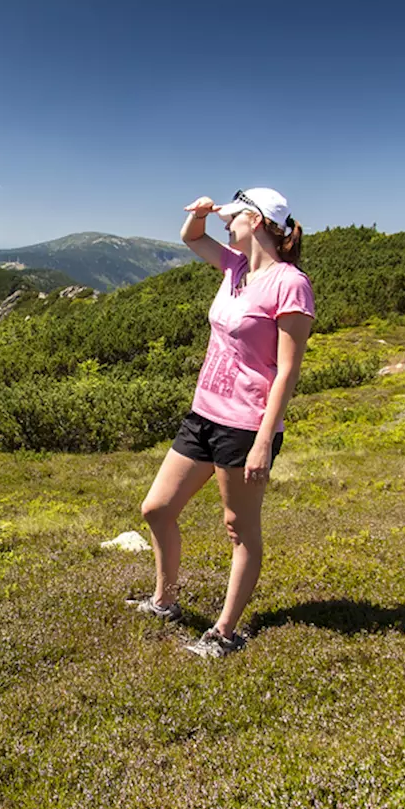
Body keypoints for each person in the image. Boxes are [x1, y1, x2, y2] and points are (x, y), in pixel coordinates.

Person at [129, 187, 314, 657]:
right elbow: (192, 237)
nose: (226, 224)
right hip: (204, 414)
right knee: (157, 508)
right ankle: (165, 600)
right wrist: (202, 212)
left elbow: (287, 371)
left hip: (246, 425)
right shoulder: (234, 266)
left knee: (239, 528)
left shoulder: (290, 284)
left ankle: (225, 632)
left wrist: (262, 441)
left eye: (234, 217)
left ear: (255, 221)